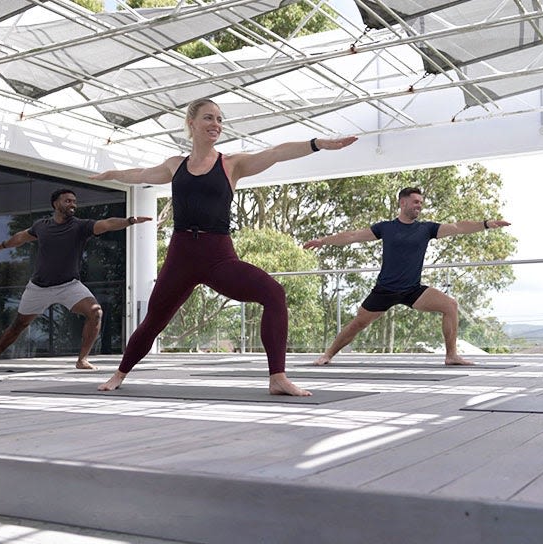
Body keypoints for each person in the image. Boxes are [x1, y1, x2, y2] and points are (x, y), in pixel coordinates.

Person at [90, 98, 357, 395]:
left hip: (218, 256)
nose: (216, 124)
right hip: (181, 255)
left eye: (219, 119)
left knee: (274, 293)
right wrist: (111, 175)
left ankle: (277, 377)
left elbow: (277, 153)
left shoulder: (231, 164)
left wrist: (319, 143)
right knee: (154, 320)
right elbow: (140, 174)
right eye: (208, 118)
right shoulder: (174, 165)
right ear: (191, 123)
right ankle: (120, 374)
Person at [303, 187, 510, 366]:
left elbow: (458, 227)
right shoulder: (386, 228)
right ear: (403, 203)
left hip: (413, 290)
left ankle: (451, 356)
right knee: (358, 323)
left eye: (421, 202)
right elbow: (352, 236)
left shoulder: (426, 228)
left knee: (450, 305)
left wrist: (486, 224)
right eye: (415, 202)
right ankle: (328, 355)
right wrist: (323, 241)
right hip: (385, 290)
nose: (419, 205)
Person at [0, 189, 151, 372]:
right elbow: (21, 237)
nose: (72, 204)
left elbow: (106, 224)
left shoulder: (81, 226)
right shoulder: (41, 226)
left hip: (69, 285)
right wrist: (2, 245)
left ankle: (82, 359)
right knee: (19, 324)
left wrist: (130, 221)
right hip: (38, 287)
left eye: (74, 201)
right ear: (55, 204)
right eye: (67, 201)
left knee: (95, 312)